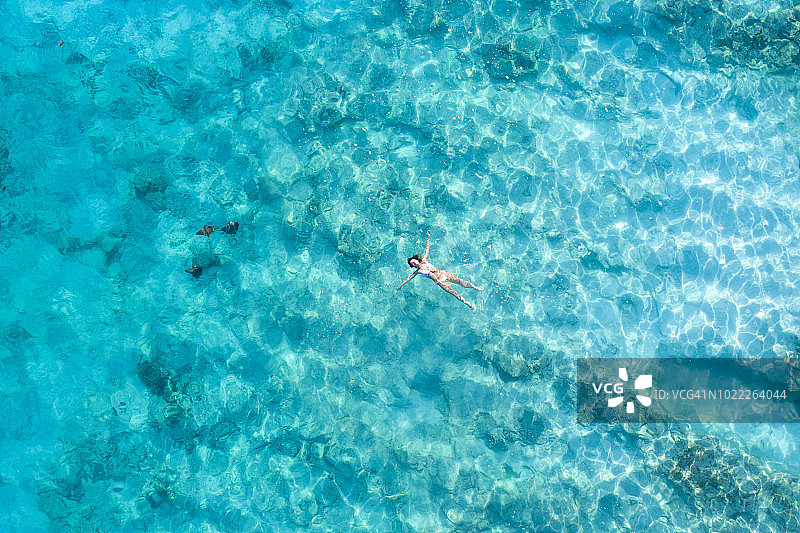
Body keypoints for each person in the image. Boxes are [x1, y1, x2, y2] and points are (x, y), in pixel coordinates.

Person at [397, 231, 484, 310]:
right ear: (413, 266)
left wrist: (427, 237)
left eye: (413, 261)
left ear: (416, 259)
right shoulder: (418, 271)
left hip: (444, 274)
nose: (414, 263)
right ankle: (466, 303)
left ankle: (475, 287)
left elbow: (427, 249)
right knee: (454, 294)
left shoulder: (424, 260)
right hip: (440, 282)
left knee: (460, 282)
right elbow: (408, 279)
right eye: (412, 264)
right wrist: (400, 286)